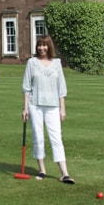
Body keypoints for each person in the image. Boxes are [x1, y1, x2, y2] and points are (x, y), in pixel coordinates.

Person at [21, 35, 73, 183]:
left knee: (56, 138)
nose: (41, 48)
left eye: (44, 45)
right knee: (38, 138)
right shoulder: (32, 63)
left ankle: (64, 173)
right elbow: (26, 87)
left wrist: (62, 109)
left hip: (53, 107)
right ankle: (42, 170)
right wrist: (25, 108)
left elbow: (61, 88)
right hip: (35, 105)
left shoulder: (57, 63)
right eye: (39, 45)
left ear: (49, 47)